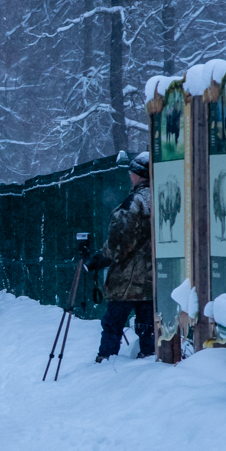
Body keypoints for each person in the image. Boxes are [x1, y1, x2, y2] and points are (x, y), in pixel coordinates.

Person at [87, 152, 155, 362]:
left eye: (131, 173)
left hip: (128, 280)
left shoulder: (134, 203)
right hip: (154, 278)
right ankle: (149, 359)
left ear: (138, 175)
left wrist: (102, 257)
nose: (129, 177)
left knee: (113, 324)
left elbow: (120, 242)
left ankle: (106, 361)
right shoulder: (163, 197)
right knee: (148, 326)